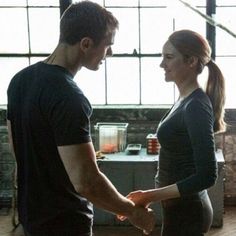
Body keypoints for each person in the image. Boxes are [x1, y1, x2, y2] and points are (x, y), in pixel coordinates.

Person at [6, 1, 155, 236]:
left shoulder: (19, 81)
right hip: (65, 223)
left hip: (32, 217)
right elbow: (86, 182)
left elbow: (19, 152)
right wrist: (133, 211)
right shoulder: (69, 96)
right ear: (86, 44)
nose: (111, 52)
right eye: (108, 45)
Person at [119, 30, 226, 236]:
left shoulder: (196, 106)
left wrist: (149, 196)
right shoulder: (184, 100)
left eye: (168, 57)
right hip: (178, 209)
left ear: (191, 61)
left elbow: (207, 176)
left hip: (189, 212)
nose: (162, 64)